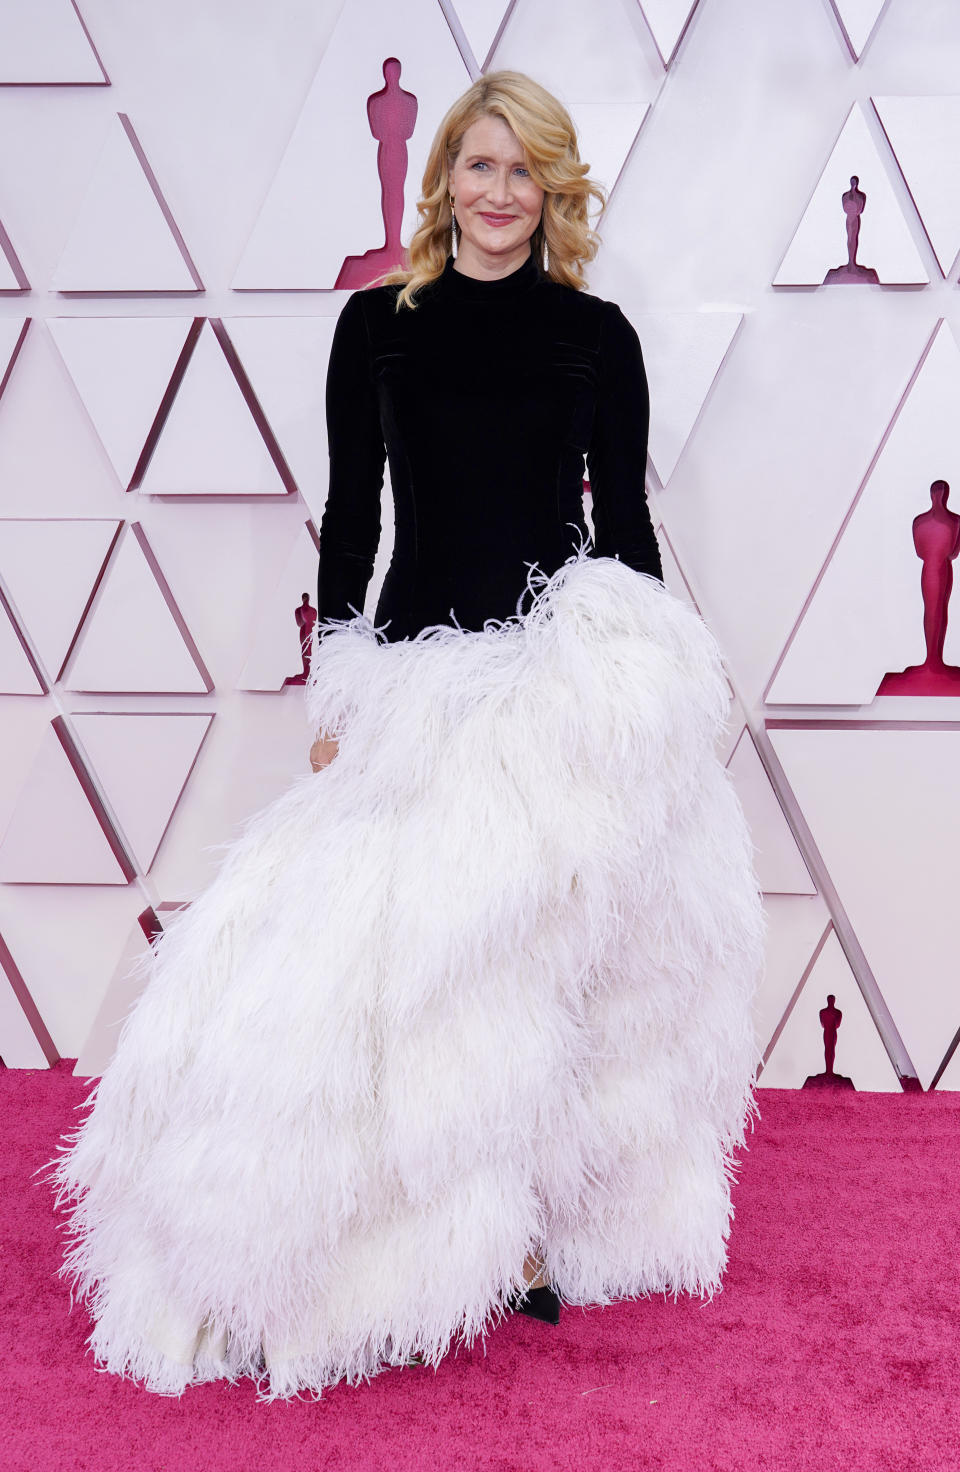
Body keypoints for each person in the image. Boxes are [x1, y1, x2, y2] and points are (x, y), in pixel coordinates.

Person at [49, 70, 764, 1402]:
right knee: (408, 980)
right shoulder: (376, 326)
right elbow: (350, 517)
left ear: (553, 189)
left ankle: (542, 1234)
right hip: (421, 691)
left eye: (523, 171)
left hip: (556, 690)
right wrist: (340, 685)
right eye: (479, 167)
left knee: (561, 976)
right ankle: (384, 1243)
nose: (500, 194)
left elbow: (628, 543)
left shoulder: (596, 339)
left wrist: (656, 697)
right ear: (445, 178)